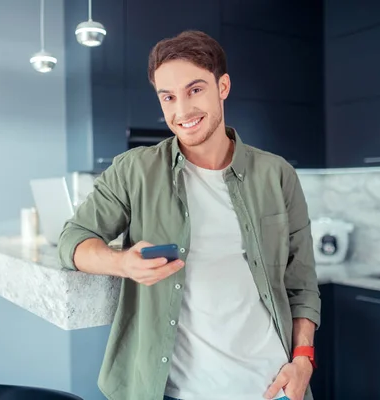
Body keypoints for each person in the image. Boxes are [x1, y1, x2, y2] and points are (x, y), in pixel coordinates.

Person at [58, 30, 320, 400]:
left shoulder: (277, 175)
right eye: (168, 97)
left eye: (195, 90)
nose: (182, 111)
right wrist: (123, 264)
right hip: (176, 392)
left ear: (223, 86)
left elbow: (302, 283)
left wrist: (304, 359)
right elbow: (72, 239)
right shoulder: (135, 170)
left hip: (272, 387)